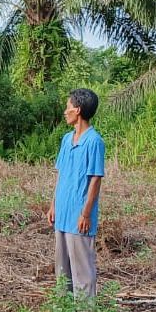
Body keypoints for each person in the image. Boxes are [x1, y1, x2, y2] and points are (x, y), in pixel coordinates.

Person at [48, 88, 105, 297]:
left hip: (78, 216)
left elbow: (95, 179)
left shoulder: (94, 141)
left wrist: (85, 213)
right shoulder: (66, 139)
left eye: (68, 107)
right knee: (62, 270)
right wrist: (53, 205)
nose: (65, 111)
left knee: (82, 271)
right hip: (62, 212)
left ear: (78, 110)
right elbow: (61, 174)